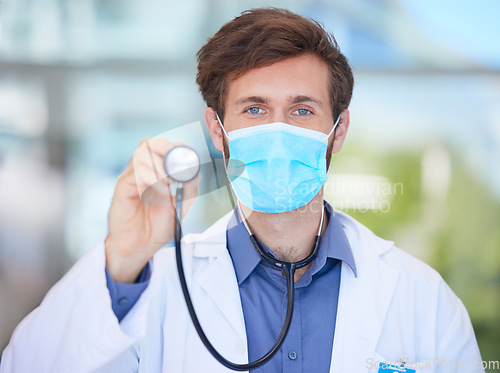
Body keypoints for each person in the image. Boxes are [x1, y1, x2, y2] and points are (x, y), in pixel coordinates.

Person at [0, 7, 483, 373]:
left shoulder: (424, 300)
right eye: (254, 109)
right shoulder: (157, 284)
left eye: (301, 110)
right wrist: (120, 260)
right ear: (217, 130)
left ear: (337, 131)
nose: (277, 129)